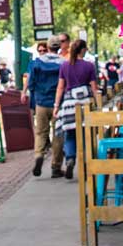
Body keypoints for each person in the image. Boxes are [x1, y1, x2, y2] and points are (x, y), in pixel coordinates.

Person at [54, 38, 98, 179]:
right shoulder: (89, 66)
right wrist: (97, 104)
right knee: (86, 134)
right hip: (84, 103)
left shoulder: (65, 66)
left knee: (70, 135)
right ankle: (85, 164)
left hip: (68, 104)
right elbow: (94, 88)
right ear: (83, 50)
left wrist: (56, 106)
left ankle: (70, 159)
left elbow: (60, 87)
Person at [23, 35, 65, 178]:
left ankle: (39, 155)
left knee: (40, 133)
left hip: (41, 102)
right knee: (58, 134)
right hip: (57, 104)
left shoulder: (37, 62)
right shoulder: (63, 63)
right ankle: (56, 166)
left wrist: (34, 99)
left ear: (47, 47)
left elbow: (31, 83)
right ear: (59, 47)